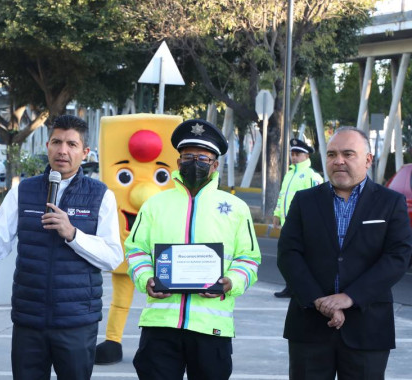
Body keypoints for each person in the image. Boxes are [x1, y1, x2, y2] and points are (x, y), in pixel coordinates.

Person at [0, 115, 123, 380]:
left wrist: (73, 234)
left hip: (77, 321)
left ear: (85, 152)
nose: (63, 150)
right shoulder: (23, 191)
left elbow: (113, 257)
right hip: (29, 320)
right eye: (56, 142)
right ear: (47, 146)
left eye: (71, 144)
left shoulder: (101, 195)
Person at [125, 119, 261, 380]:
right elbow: (136, 250)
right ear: (178, 162)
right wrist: (146, 279)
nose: (194, 163)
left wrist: (230, 282)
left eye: (202, 158)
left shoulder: (235, 208)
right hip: (160, 325)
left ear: (215, 165)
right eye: (188, 157)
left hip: (212, 327)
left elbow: (249, 259)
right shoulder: (155, 205)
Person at [277, 127, 412, 379]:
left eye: (348, 154)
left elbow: (398, 257)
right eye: (331, 154)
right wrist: (320, 300)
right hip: (309, 326)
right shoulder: (304, 201)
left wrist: (349, 297)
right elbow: (288, 253)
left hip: (368, 327)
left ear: (368, 160)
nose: (338, 160)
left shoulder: (390, 202)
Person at [95, 114, 181, 365]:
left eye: (161, 177)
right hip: (126, 246)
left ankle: (161, 346)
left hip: (161, 250)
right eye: (125, 177)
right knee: (120, 300)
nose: (143, 194)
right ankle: (113, 341)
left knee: (161, 300)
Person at [272, 138, 323, 298]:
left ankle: (300, 288)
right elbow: (282, 196)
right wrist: (276, 214)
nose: (294, 157)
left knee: (303, 258)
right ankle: (290, 286)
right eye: (292, 154)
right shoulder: (289, 174)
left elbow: (319, 201)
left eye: (298, 154)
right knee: (287, 256)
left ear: (306, 156)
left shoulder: (311, 176)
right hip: (288, 223)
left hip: (304, 225)